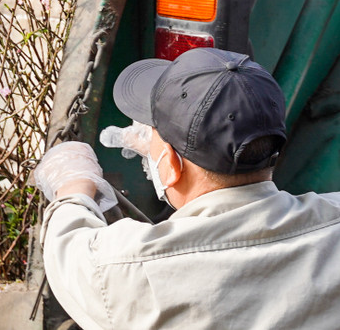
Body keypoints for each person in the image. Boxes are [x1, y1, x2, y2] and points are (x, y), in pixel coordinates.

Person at [33, 47, 340, 329]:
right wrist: (162, 149)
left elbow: (70, 255)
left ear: (171, 165)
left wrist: (73, 184)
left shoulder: (132, 271)